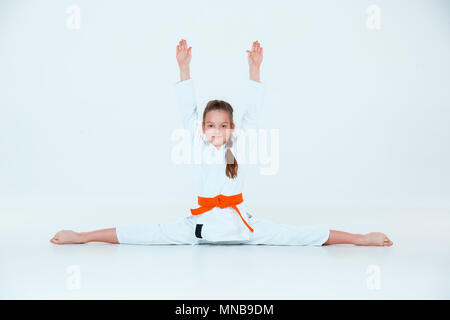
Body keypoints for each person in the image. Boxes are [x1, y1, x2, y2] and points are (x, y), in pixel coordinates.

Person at [50, 39, 393, 247]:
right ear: (202, 128)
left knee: (301, 235)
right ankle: (81, 236)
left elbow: (254, 113)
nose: (216, 130)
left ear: (231, 129)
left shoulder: (240, 147)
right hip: (197, 229)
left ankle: (361, 238)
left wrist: (254, 70)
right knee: (143, 233)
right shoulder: (197, 145)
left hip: (244, 226)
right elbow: (187, 108)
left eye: (223, 125)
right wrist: (184, 68)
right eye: (210, 125)